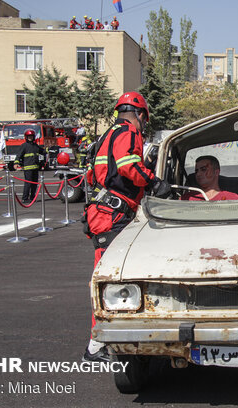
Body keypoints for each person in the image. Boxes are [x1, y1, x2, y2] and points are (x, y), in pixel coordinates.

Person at [82, 91, 170, 362]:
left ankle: (101, 341)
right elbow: (127, 166)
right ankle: (97, 345)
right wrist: (153, 181)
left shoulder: (106, 136)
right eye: (144, 119)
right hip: (112, 214)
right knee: (112, 277)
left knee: (110, 274)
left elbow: (91, 174)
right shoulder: (130, 132)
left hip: (103, 210)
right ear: (141, 115)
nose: (143, 125)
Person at [14, 129, 45, 202]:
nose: (30, 138)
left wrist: (49, 149)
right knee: (28, 183)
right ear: (26, 137)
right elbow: (19, 155)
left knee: (34, 184)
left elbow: (42, 151)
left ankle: (32, 197)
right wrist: (16, 162)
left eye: (31, 136)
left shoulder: (35, 146)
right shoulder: (24, 146)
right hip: (28, 168)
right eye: (29, 137)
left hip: (35, 168)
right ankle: (25, 198)